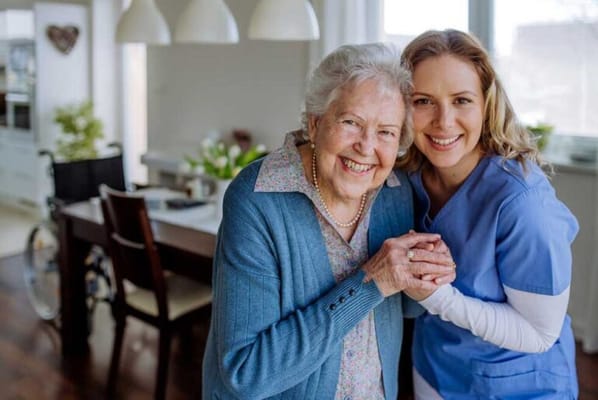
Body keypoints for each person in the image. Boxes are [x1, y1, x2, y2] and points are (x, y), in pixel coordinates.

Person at [201, 43, 457, 399]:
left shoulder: (394, 191)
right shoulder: (258, 198)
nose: (367, 147)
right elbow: (246, 373)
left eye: (386, 132)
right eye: (352, 122)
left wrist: (425, 268)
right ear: (316, 122)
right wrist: (371, 283)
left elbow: (405, 308)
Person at [399, 29, 579, 398]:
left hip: (518, 382)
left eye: (462, 100)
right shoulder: (408, 178)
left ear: (486, 103)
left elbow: (539, 334)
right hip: (435, 367)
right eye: (423, 101)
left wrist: (437, 297)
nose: (443, 122)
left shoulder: (524, 204)